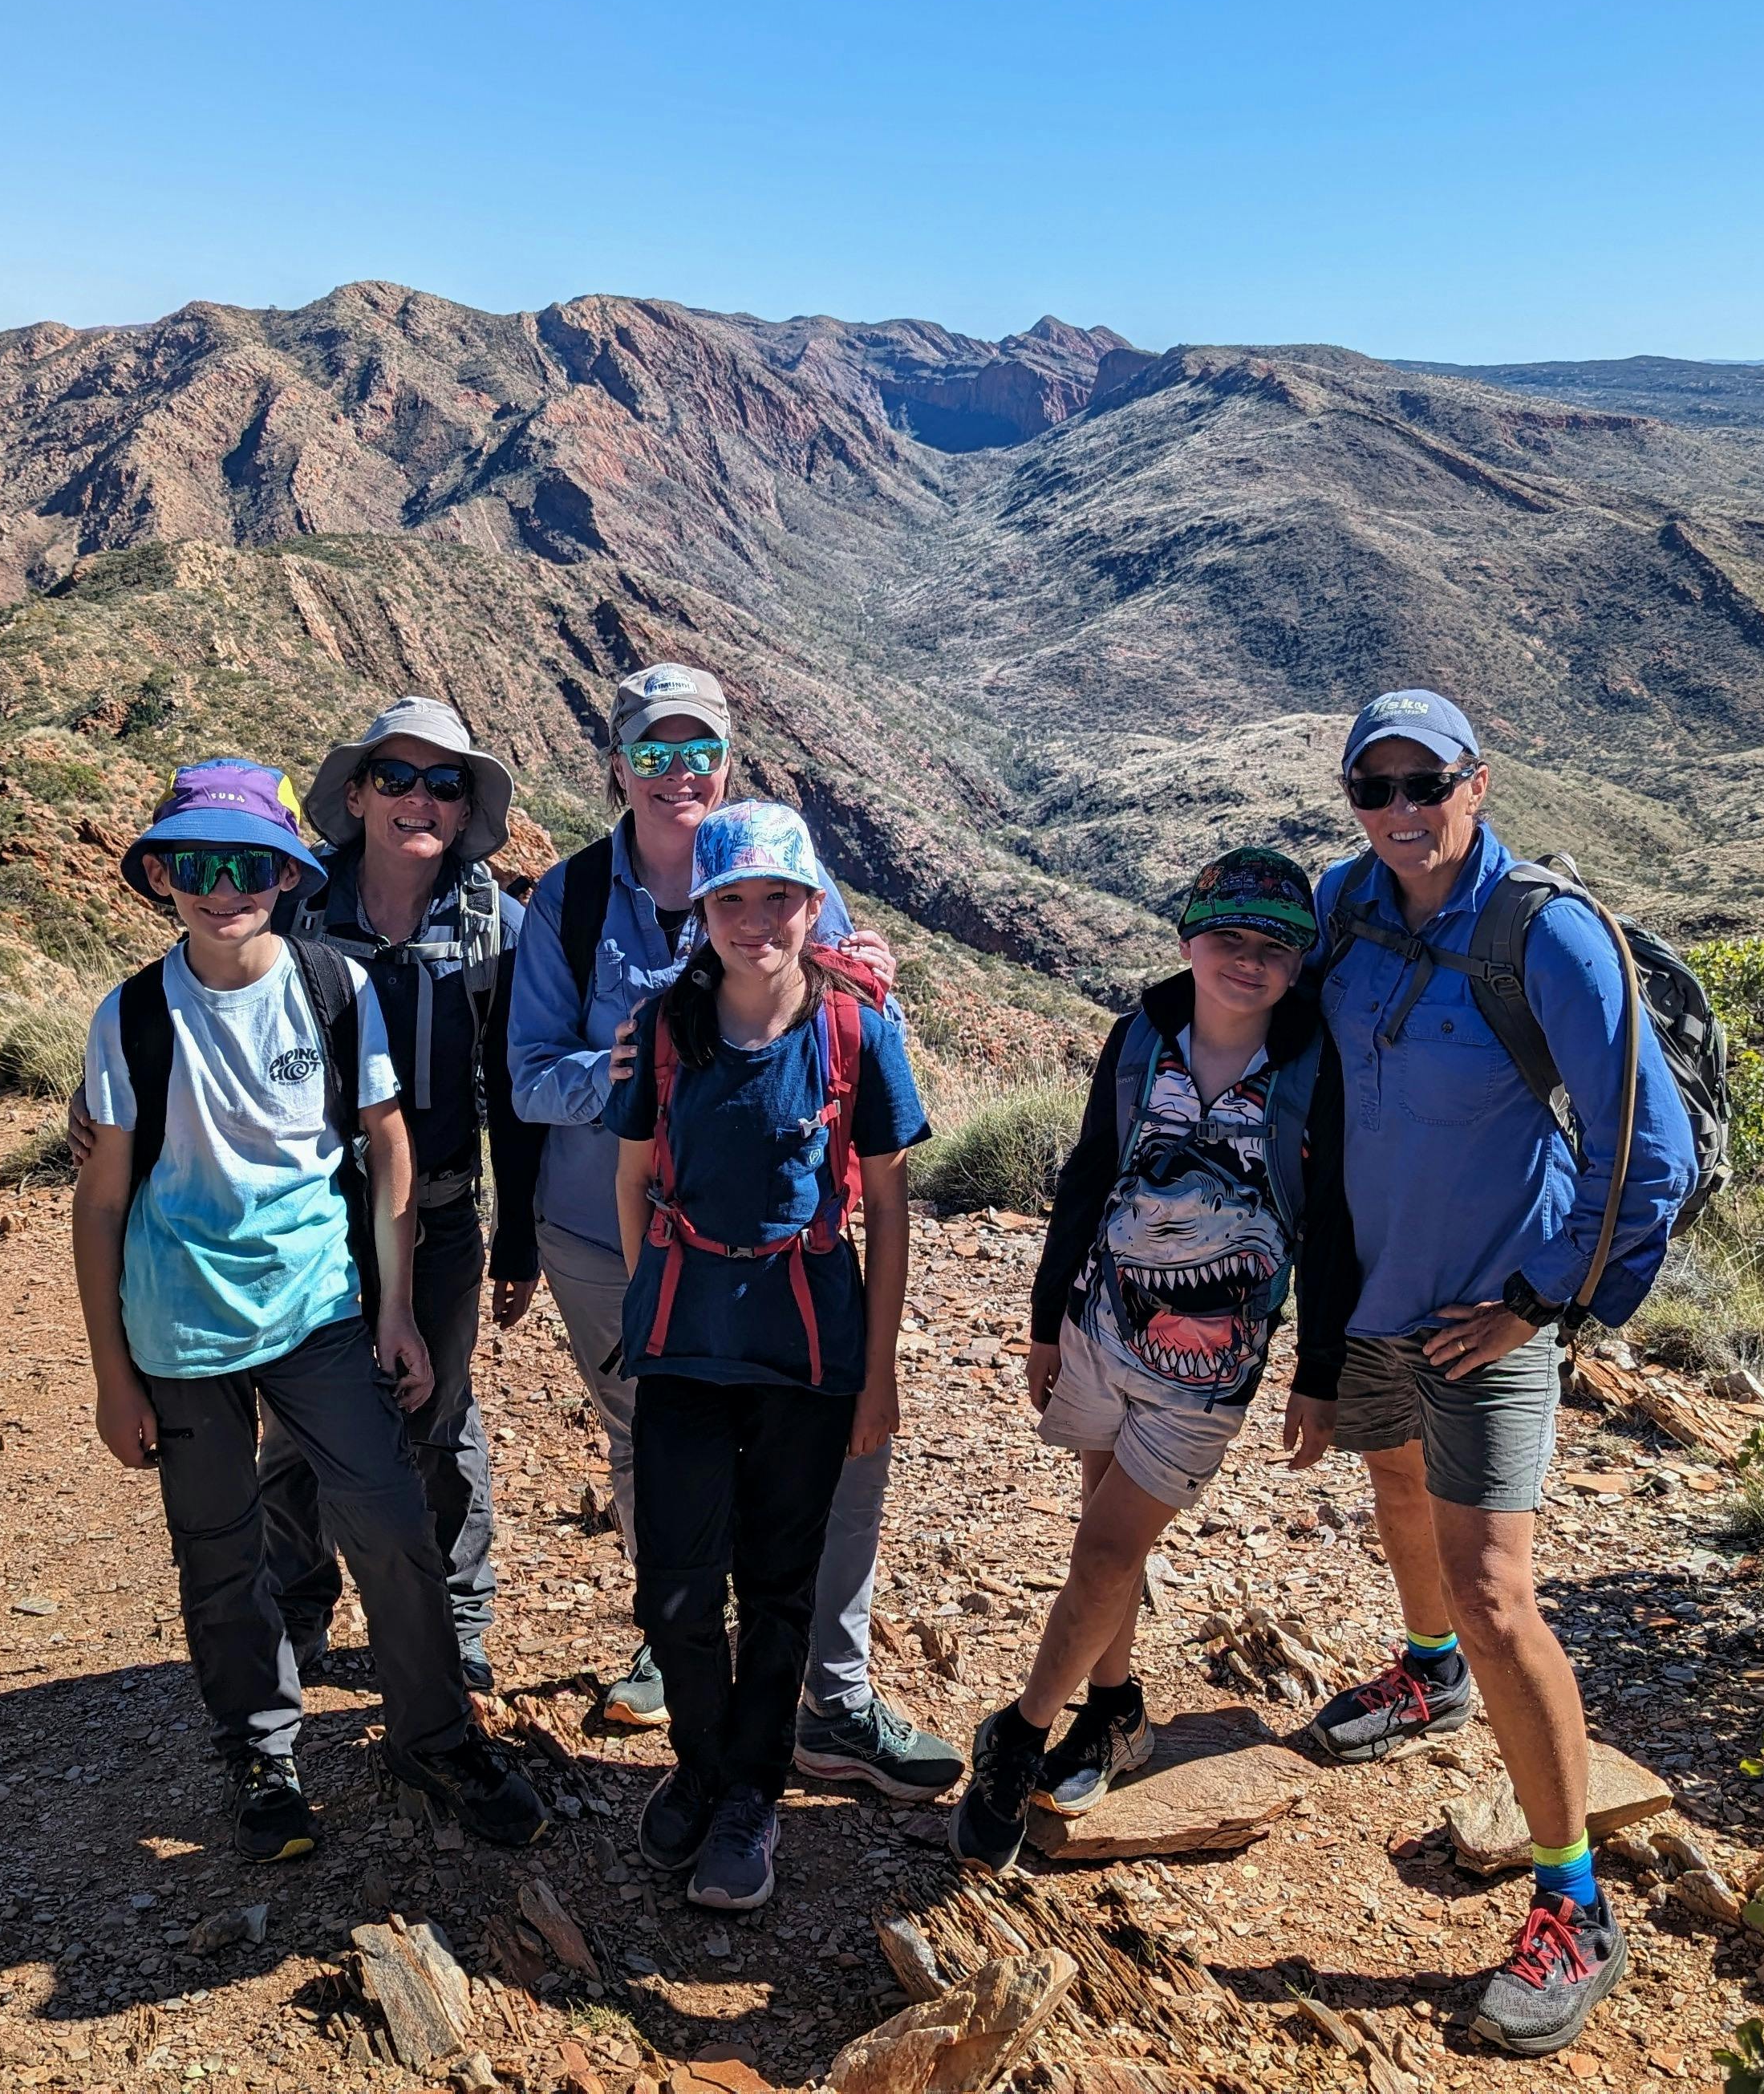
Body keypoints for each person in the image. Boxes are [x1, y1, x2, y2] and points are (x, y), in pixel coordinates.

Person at [1307, 689, 1697, 2056]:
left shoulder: (1548, 935)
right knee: (1396, 1487)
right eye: (1378, 786)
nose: (1405, 812)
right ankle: (1426, 1676)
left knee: (1495, 1585)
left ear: (1479, 780)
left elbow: (1652, 1156)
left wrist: (1542, 1307)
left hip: (1489, 1307)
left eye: (1430, 783)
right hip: (1375, 1288)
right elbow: (1267, 1045)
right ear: (1351, 794)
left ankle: (1574, 1901)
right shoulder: (1344, 907)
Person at [68, 759, 547, 1862]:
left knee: (387, 1519)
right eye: (197, 864)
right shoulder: (133, 1017)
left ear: (286, 877)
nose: (222, 886)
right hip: (179, 1332)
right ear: (160, 875)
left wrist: (393, 1311)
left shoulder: (332, 989)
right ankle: (260, 1754)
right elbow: (98, 1204)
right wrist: (110, 1372)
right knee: (219, 1548)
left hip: (321, 1312)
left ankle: (435, 1734)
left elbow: (384, 1143)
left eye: (247, 865)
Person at [503, 661, 963, 1800]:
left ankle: (830, 1694)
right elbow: (522, 1078)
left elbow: (850, 1030)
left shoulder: (792, 879)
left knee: (833, 1455)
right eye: (651, 754)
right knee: (648, 1440)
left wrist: (876, 994)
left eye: (695, 750)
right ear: (616, 765)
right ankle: (682, 1653)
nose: (676, 774)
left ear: (725, 760)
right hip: (610, 1236)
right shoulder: (565, 903)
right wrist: (619, 1072)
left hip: (784, 1244)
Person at [952, 849, 1356, 1873]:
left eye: (1275, 948)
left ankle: (1020, 1733)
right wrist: (1047, 1321)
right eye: (1229, 939)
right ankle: (1117, 1709)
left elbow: (1337, 1224)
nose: (1249, 963)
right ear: (1188, 939)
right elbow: (1090, 1172)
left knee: (1101, 1554)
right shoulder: (1140, 1038)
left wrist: (1319, 1370)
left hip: (1210, 1369)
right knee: (1110, 1550)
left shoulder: (1316, 1068)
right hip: (1102, 1323)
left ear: (1301, 964)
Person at [605, 801, 927, 1909]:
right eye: (731, 900)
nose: (756, 922)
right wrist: (651, 1303)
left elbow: (888, 1208)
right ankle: (700, 1767)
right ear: (701, 909)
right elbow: (633, 1177)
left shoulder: (855, 1035)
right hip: (688, 1346)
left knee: (780, 1585)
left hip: (807, 1351)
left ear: (811, 903)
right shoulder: (665, 1030)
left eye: (778, 898)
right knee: (680, 1585)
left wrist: (876, 1372)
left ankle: (750, 1793)